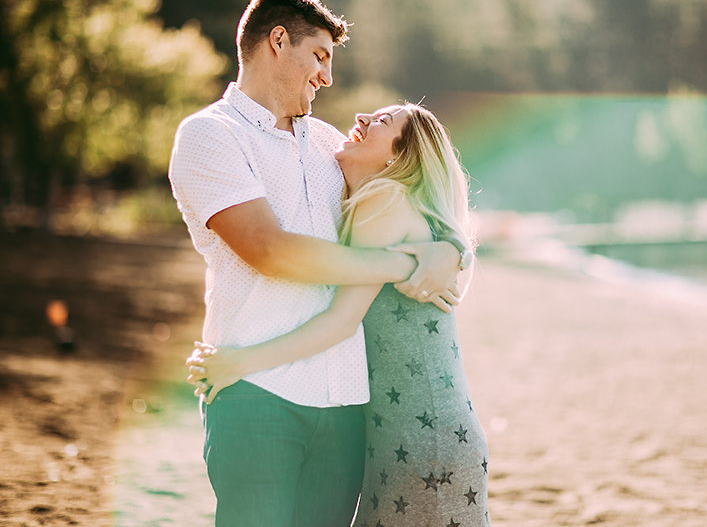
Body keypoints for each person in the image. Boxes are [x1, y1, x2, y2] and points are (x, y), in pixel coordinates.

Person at [168, 0, 465, 527]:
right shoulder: (211, 136)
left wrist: (447, 250)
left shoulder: (333, 145)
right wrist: (410, 265)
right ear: (277, 40)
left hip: (348, 403)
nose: (327, 78)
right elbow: (271, 252)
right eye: (320, 57)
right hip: (256, 393)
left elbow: (408, 196)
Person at [188, 102, 490, 526]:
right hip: (426, 434)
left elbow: (340, 321)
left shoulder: (383, 200)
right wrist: (453, 252)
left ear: (397, 157)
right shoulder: (399, 206)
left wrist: (239, 361)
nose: (363, 119)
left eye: (382, 122)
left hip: (419, 440)